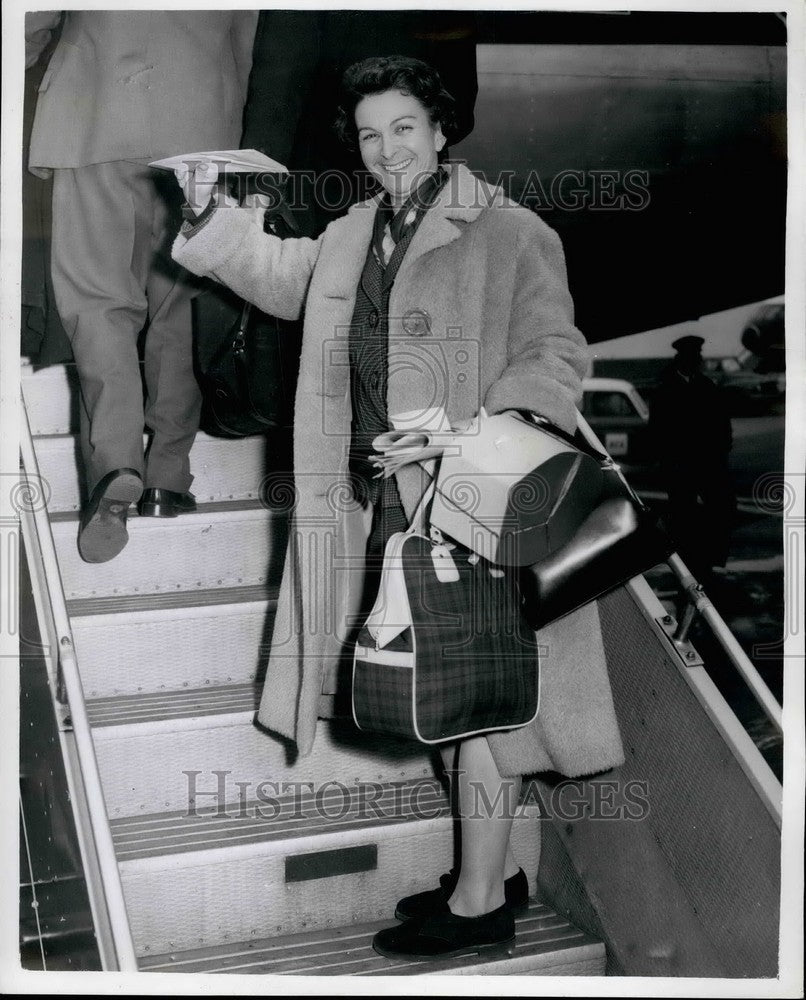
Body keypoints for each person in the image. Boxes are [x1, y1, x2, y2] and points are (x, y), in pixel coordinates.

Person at [172, 56, 624, 961]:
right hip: (384, 502)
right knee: (444, 692)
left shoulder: (510, 230)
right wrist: (204, 216)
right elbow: (282, 276)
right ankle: (485, 876)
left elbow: (555, 351)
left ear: (441, 129)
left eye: (404, 129)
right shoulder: (352, 233)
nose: (388, 150)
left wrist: (471, 432)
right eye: (372, 135)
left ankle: (481, 897)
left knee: (485, 706)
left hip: (477, 498)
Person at [25, 11, 259, 562]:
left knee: (98, 304)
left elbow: (28, 20)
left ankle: (115, 461)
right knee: (183, 304)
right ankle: (168, 473)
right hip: (202, 120)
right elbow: (247, 37)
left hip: (93, 113)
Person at [649, 334, 736, 582]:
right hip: (680, 466)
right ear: (683, 358)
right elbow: (657, 431)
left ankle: (713, 560)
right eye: (695, 356)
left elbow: (722, 423)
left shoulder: (706, 386)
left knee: (721, 508)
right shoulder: (665, 390)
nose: (699, 360)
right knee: (683, 514)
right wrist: (668, 463)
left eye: (698, 356)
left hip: (708, 464)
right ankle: (690, 565)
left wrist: (721, 452)